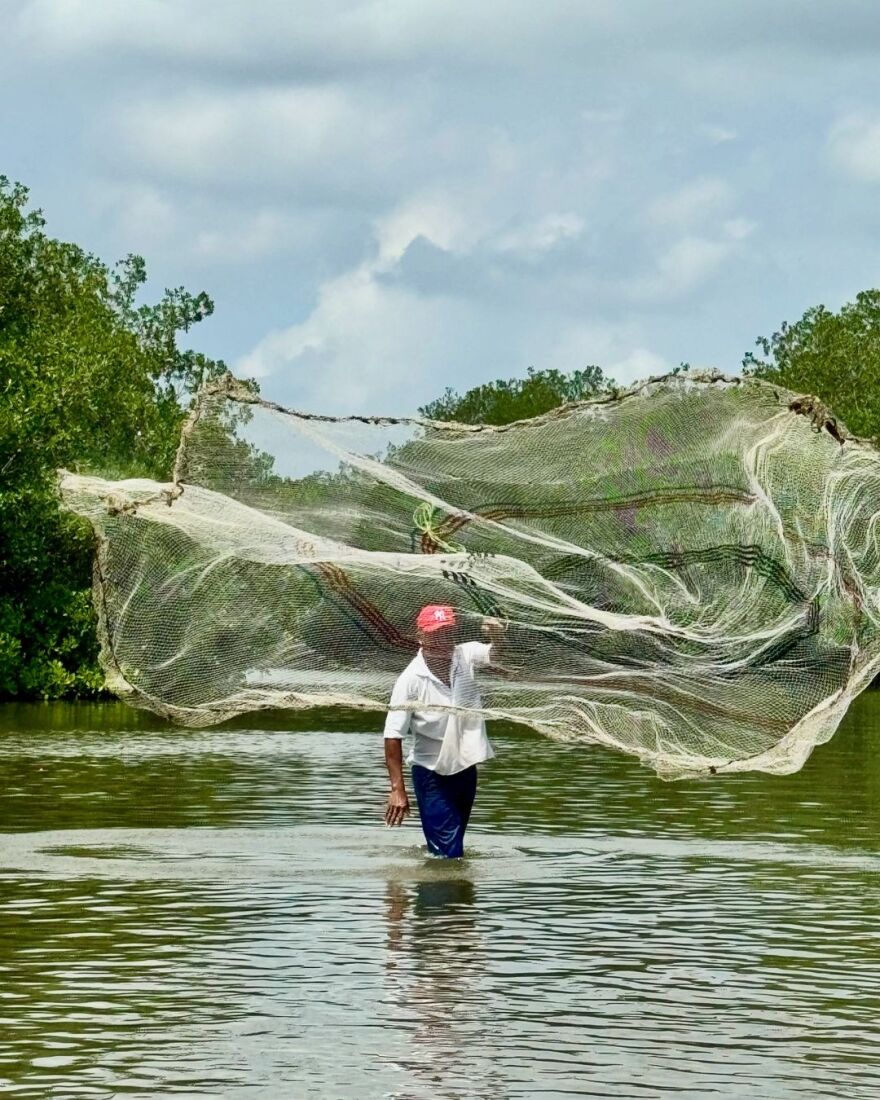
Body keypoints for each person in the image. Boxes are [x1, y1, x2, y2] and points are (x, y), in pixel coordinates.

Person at [383, 605, 505, 858]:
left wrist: (497, 635)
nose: (442, 641)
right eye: (436, 635)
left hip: (465, 768)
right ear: (421, 636)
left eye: (447, 633)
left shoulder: (465, 655)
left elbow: (499, 655)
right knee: (448, 852)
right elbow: (392, 735)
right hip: (431, 773)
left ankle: (450, 893)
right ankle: (444, 892)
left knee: (452, 844)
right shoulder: (410, 679)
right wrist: (397, 789)